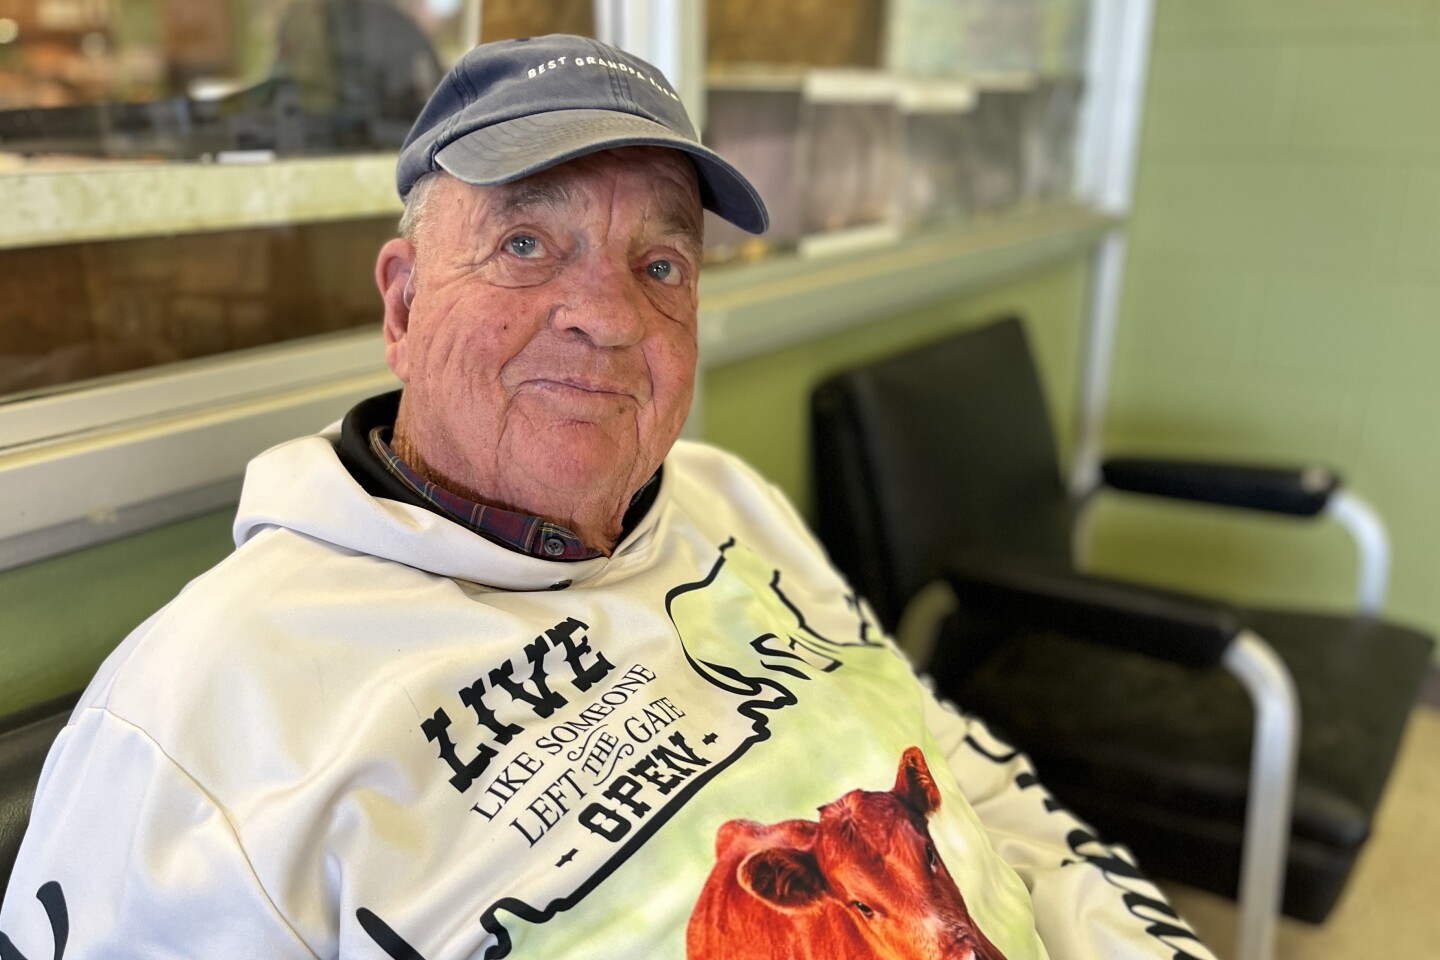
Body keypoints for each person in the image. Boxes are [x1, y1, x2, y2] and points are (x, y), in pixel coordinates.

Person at [0, 35, 1215, 960]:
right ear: (404, 302)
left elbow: (969, 779)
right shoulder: (194, 724)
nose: (610, 315)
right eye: (528, 243)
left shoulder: (728, 498)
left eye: (662, 264)